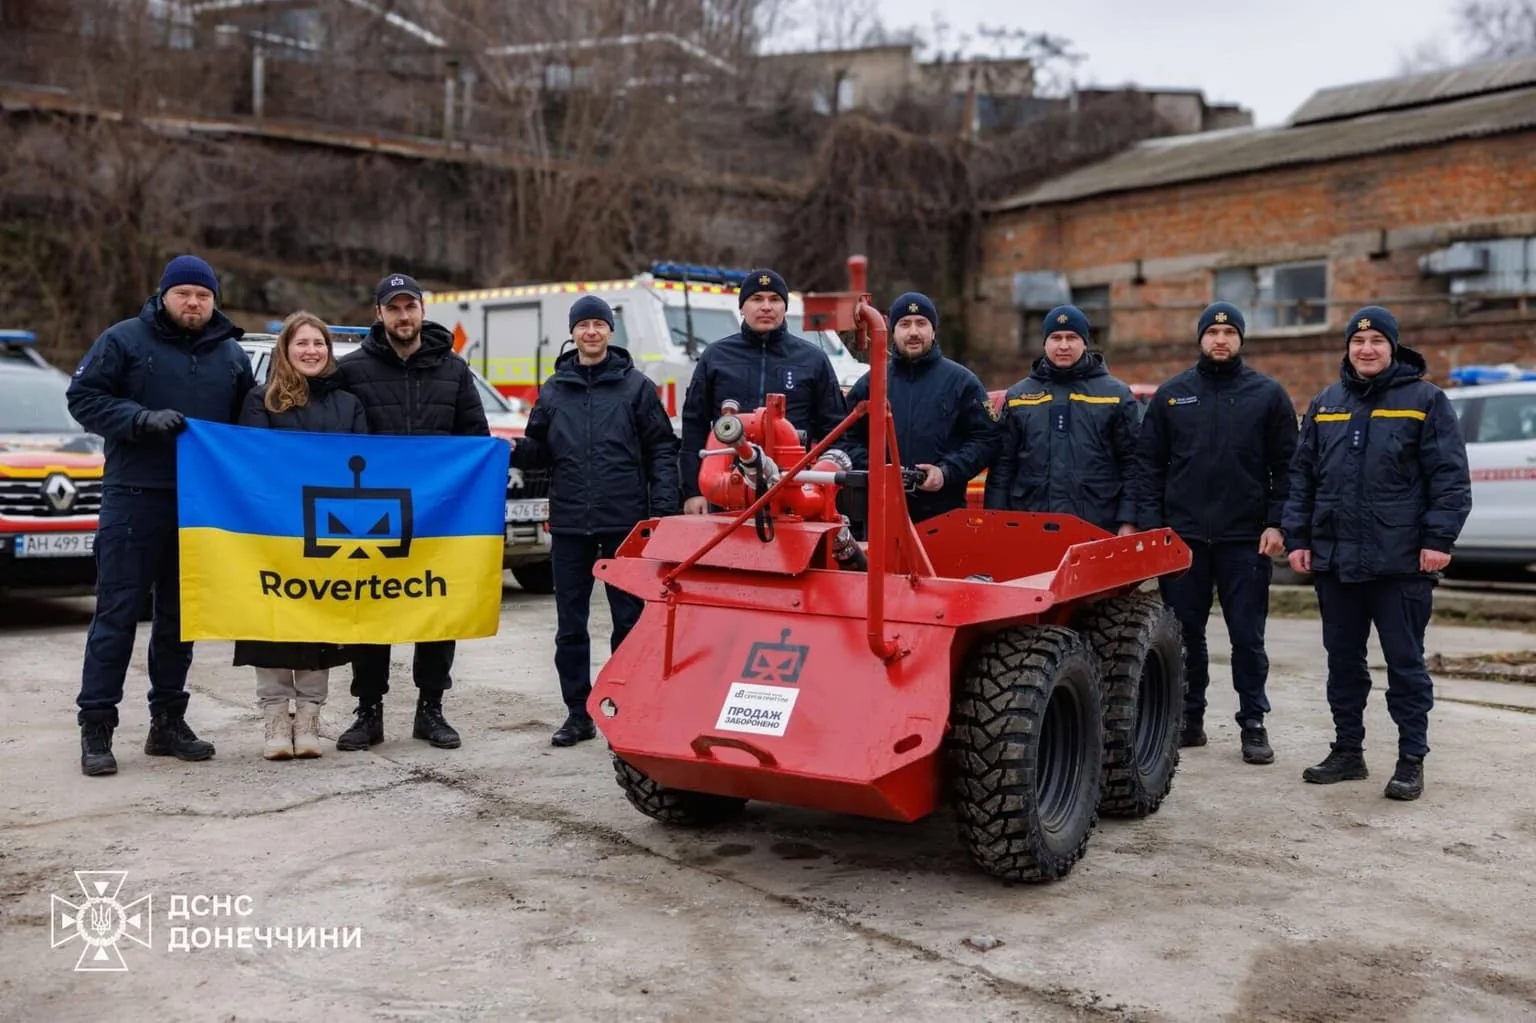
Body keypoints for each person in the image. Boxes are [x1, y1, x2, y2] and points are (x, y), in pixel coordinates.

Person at [66, 254, 256, 777]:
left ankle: (167, 722)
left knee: (179, 619)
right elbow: (82, 397)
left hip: (199, 507)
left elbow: (248, 426)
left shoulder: (231, 356)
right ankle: (97, 727)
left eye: (202, 295)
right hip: (133, 497)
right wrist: (139, 419)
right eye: (184, 294)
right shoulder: (124, 340)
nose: (193, 303)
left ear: (213, 300)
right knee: (117, 616)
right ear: (164, 295)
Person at [1283, 306, 1471, 801]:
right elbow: (1302, 478)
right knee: (1343, 662)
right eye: (1357, 343)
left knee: (1405, 663)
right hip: (1336, 560)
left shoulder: (1426, 401)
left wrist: (1438, 541)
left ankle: (1412, 759)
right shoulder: (1326, 403)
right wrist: (1298, 540)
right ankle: (1348, 751)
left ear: (1393, 347)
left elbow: (1450, 479)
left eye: (1377, 343)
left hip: (1401, 561)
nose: (1367, 350)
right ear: (1347, 349)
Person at [331, 272, 490, 752]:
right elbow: (331, 437)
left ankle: (431, 709)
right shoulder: (352, 370)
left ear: (422, 311)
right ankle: (369, 711)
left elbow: (475, 441)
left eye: (411, 306)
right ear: (378, 314)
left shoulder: (454, 369)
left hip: (439, 516)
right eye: (394, 308)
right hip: (371, 515)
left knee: (435, 608)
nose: (404, 316)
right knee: (372, 610)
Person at [512, 295, 681, 746]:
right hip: (569, 523)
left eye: (598, 325)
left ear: (610, 331)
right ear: (573, 333)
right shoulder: (552, 390)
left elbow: (663, 449)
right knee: (571, 625)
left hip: (623, 523)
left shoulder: (636, 388)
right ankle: (577, 712)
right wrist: (506, 451)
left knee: (629, 621)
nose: (590, 332)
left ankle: (624, 707)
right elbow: (539, 450)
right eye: (583, 325)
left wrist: (662, 511)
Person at [1135, 302, 1299, 764]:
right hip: (1184, 539)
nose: (1220, 339)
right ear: (1200, 339)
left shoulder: (1267, 395)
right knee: (1185, 635)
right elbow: (1148, 466)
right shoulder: (1172, 395)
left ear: (1241, 339)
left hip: (1244, 539)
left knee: (1247, 636)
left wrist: (1277, 522)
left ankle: (1253, 723)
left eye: (1229, 331)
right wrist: (1154, 528)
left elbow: (1288, 466)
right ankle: (1188, 719)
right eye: (1213, 332)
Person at [235, 312, 368, 760]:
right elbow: (254, 463)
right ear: (285, 350)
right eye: (302, 343)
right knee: (271, 622)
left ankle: (310, 715)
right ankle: (275, 717)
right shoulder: (261, 401)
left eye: (320, 344)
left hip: (328, 534)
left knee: (319, 624)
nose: (312, 351)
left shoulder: (349, 404)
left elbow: (363, 466)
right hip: (273, 532)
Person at [680, 269, 847, 513]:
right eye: (757, 299)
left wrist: (820, 487)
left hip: (793, 492)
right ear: (742, 307)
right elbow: (694, 427)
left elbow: (835, 432)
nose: (766, 307)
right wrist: (693, 492)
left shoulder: (813, 360)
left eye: (775, 299)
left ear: (785, 307)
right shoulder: (715, 357)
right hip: (728, 491)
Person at [983, 304, 1140, 534]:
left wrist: (1129, 521)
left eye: (1072, 337)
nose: (1064, 345)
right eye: (1056, 337)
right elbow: (1002, 468)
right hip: (1031, 528)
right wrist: (996, 522)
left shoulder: (1116, 395)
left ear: (1085, 342)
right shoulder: (1018, 397)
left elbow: (1133, 463)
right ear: (1045, 342)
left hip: (1097, 527)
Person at [841, 292, 997, 522]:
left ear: (933, 330)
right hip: (880, 515)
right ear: (892, 331)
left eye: (921, 323)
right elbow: (846, 438)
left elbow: (987, 439)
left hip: (944, 515)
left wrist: (946, 472)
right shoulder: (871, 383)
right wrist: (878, 469)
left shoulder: (962, 382)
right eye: (904, 324)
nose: (913, 332)